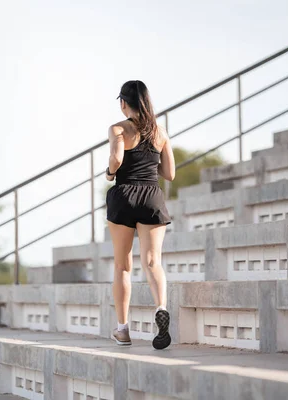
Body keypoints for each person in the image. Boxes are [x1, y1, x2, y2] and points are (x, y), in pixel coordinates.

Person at [105, 80, 175, 350]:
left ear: (123, 103)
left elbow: (116, 160)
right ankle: (161, 306)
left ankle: (122, 329)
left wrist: (110, 173)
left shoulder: (118, 129)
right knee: (152, 261)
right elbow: (169, 173)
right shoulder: (160, 131)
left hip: (124, 195)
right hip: (151, 196)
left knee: (123, 265)